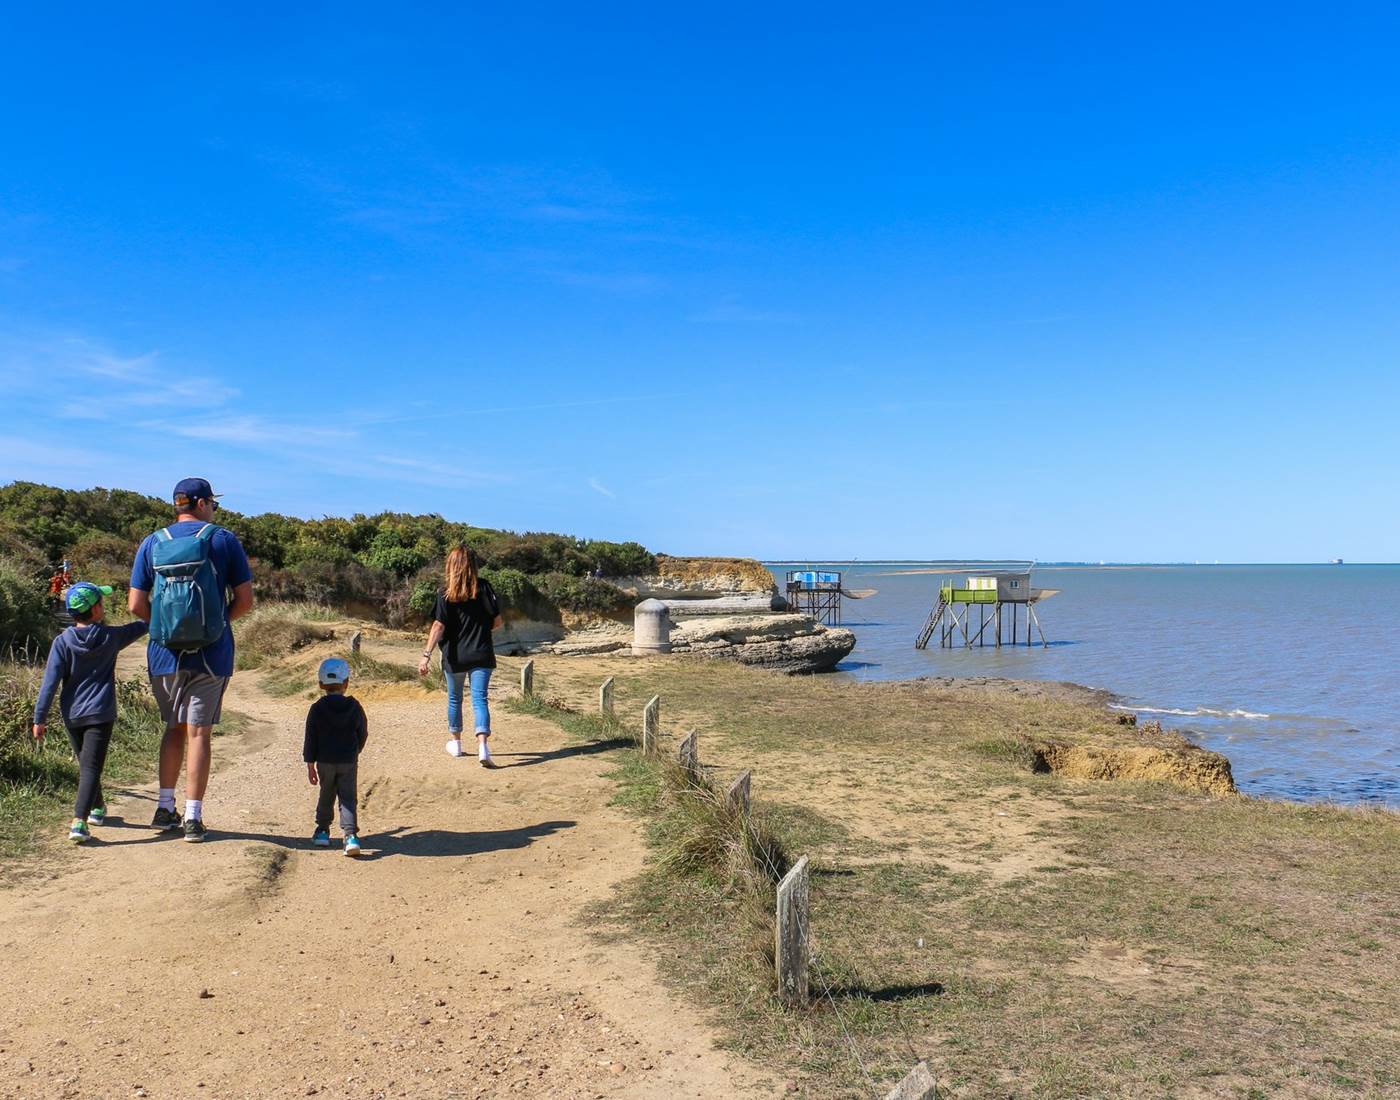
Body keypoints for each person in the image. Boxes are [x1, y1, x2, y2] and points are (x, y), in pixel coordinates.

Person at [128, 477, 253, 842]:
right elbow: (244, 601)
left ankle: (164, 807)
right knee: (199, 733)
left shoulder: (152, 543)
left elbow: (135, 604)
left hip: (163, 655)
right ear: (201, 504)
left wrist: (165, 629)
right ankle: (194, 818)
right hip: (211, 655)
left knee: (173, 727)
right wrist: (215, 626)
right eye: (212, 502)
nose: (214, 508)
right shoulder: (223, 540)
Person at [31, 583, 149, 843]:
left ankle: (96, 808)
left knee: (87, 764)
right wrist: (157, 607)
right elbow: (142, 625)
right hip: (101, 713)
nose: (103, 607)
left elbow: (49, 683)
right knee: (90, 766)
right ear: (95, 609)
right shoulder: (111, 636)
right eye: (102, 603)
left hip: (72, 715)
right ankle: (79, 821)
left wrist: (39, 718)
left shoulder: (62, 642)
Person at [417, 545, 502, 765]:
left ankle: (456, 744)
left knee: (455, 699)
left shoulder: (444, 593)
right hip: (481, 653)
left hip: (455, 656)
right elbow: (497, 622)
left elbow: (438, 625)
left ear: (451, 566)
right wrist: (480, 632)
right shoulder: (484, 588)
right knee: (479, 700)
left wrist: (426, 655)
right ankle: (483, 747)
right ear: (473, 565)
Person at [303, 657, 367, 857]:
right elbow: (362, 732)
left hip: (324, 761)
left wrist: (310, 764)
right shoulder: (355, 707)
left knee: (326, 793)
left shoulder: (317, 708)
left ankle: (322, 831)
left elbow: (310, 738)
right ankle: (350, 836)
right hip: (348, 759)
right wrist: (356, 751)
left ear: (321, 684)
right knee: (348, 797)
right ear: (346, 683)